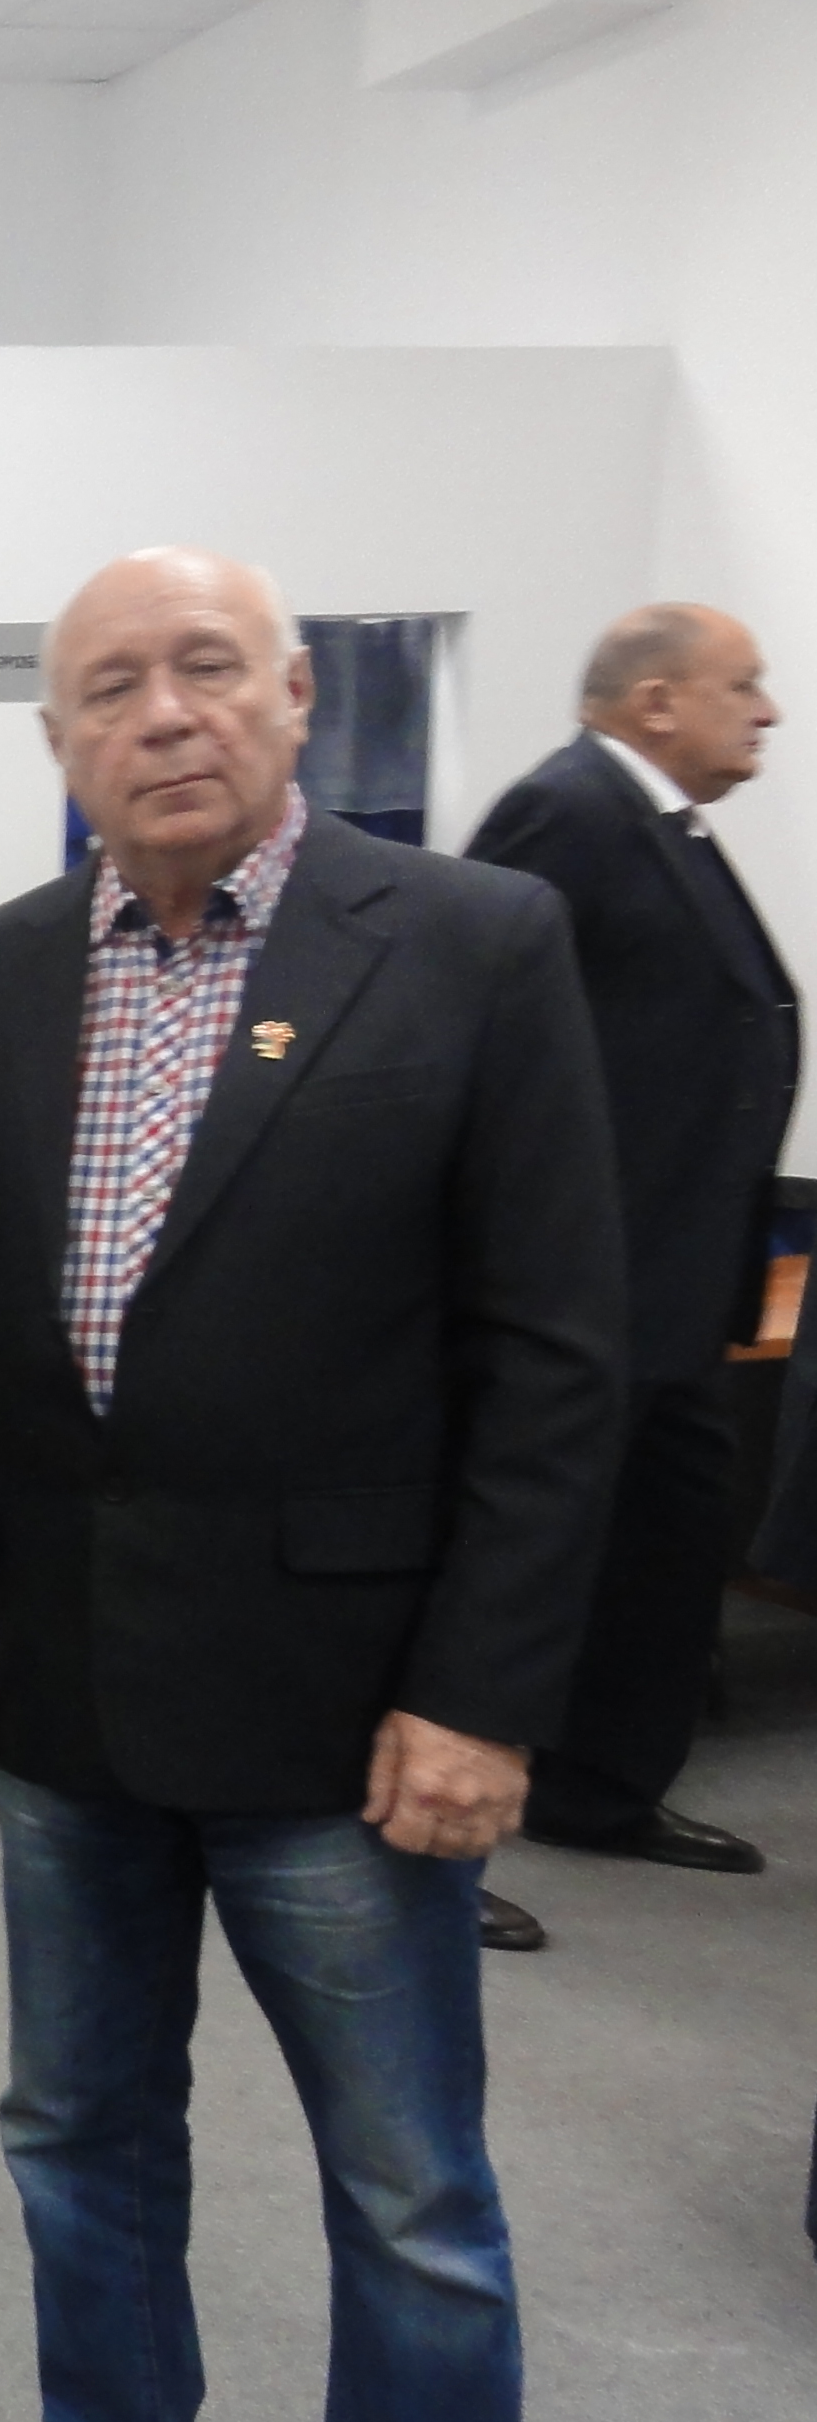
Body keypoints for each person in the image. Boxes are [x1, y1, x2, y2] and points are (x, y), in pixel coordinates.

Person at [0, 548, 627, 2422]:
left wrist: (483, 1693)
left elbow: (554, 1357)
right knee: (76, 2124)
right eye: (111, 685)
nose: (164, 713)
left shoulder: (473, 941)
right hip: (64, 1689)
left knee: (408, 2185)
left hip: (351, 1705)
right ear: (58, 739)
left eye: (207, 667)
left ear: (294, 696)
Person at [463, 605, 790, 1947]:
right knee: (525, 1560)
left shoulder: (669, 825)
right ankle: (434, 1832)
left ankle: (600, 1792)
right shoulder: (568, 812)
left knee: (666, 1546)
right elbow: (478, 1026)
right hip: (586, 1285)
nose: (768, 710)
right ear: (656, 702)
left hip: (679, 1281)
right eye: (744, 685)